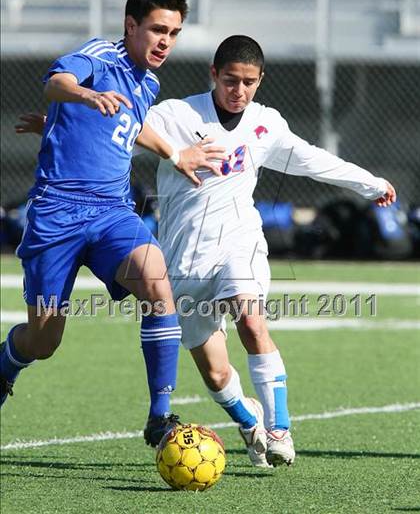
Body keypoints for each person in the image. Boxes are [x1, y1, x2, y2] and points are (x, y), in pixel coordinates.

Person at [15, 35, 397, 467]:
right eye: (231, 80)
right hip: (184, 258)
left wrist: (372, 184)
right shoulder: (177, 114)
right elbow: (115, 127)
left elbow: (313, 159)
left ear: (260, 81)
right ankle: (246, 418)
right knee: (216, 374)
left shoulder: (265, 124)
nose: (239, 91)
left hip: (240, 242)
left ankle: (279, 429)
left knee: (251, 320)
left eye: (249, 82)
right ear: (214, 74)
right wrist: (52, 122)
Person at [0, 0, 226, 449]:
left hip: (110, 212)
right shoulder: (100, 55)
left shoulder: (150, 82)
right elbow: (56, 82)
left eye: (175, 32)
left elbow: (130, 124)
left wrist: (175, 153)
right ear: (131, 26)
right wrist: (82, 99)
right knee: (43, 341)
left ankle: (160, 416)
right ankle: (4, 366)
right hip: (56, 213)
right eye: (157, 29)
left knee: (154, 275)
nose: (166, 40)